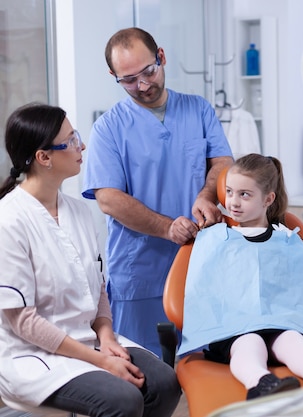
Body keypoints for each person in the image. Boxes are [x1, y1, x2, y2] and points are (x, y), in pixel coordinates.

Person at [0, 103, 181, 416]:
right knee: (123, 399)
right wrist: (100, 360)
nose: (81, 145)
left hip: (90, 339)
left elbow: (97, 288)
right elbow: (23, 321)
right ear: (44, 158)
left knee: (165, 383)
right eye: (70, 140)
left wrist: (107, 337)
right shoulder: (9, 220)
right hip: (34, 355)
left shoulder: (80, 212)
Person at [82, 27, 234, 355]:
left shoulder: (199, 109)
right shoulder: (108, 129)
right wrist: (167, 227)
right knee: (142, 374)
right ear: (114, 76)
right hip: (140, 271)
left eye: (149, 71)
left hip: (199, 261)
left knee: (206, 364)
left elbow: (222, 163)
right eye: (128, 79)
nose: (143, 85)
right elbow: (108, 199)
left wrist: (207, 194)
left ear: (161, 57)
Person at [178, 154, 303, 400]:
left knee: (293, 340)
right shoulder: (214, 239)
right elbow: (204, 291)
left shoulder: (287, 240)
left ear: (268, 199)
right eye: (229, 192)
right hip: (234, 329)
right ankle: (261, 382)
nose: (233, 201)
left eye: (245, 194)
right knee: (248, 345)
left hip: (282, 322)